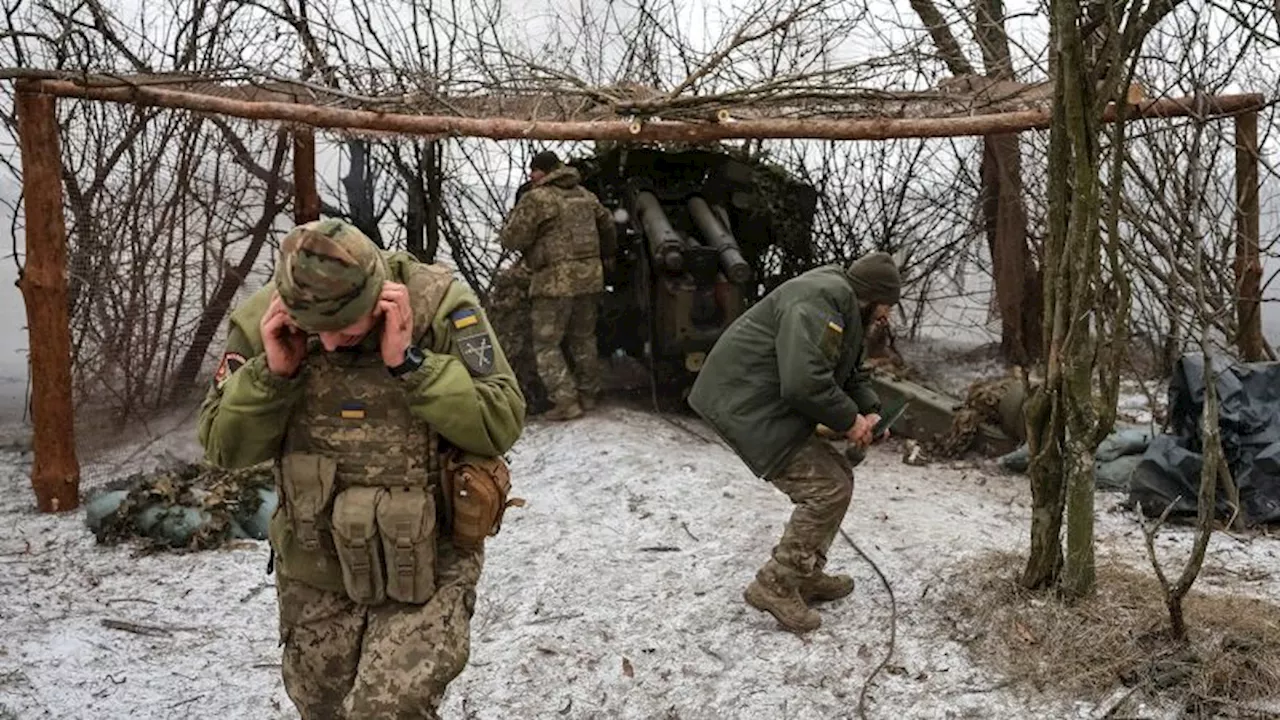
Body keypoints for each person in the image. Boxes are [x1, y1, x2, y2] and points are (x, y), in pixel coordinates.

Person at [197, 218, 526, 718]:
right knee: (321, 706)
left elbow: (500, 421)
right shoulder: (265, 318)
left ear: (381, 298)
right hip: (316, 560)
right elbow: (224, 447)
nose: (328, 345)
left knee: (386, 709)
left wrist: (412, 365)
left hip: (429, 560)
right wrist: (273, 375)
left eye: (346, 332)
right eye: (316, 333)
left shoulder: (440, 305)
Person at [686, 252, 902, 633]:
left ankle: (804, 572)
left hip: (763, 400)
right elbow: (804, 383)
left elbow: (851, 372)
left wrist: (871, 413)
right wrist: (849, 421)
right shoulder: (819, 303)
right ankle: (776, 584)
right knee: (826, 487)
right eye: (887, 305)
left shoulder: (843, 304)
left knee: (838, 478)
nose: (886, 316)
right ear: (872, 296)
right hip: (746, 402)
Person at [499, 150, 617, 421]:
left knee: (546, 343)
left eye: (534, 171)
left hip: (554, 282)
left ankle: (566, 401)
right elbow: (608, 225)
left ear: (545, 171)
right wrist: (605, 256)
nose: (530, 176)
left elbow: (512, 239)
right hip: (589, 278)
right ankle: (589, 395)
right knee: (583, 337)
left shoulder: (537, 198)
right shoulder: (585, 195)